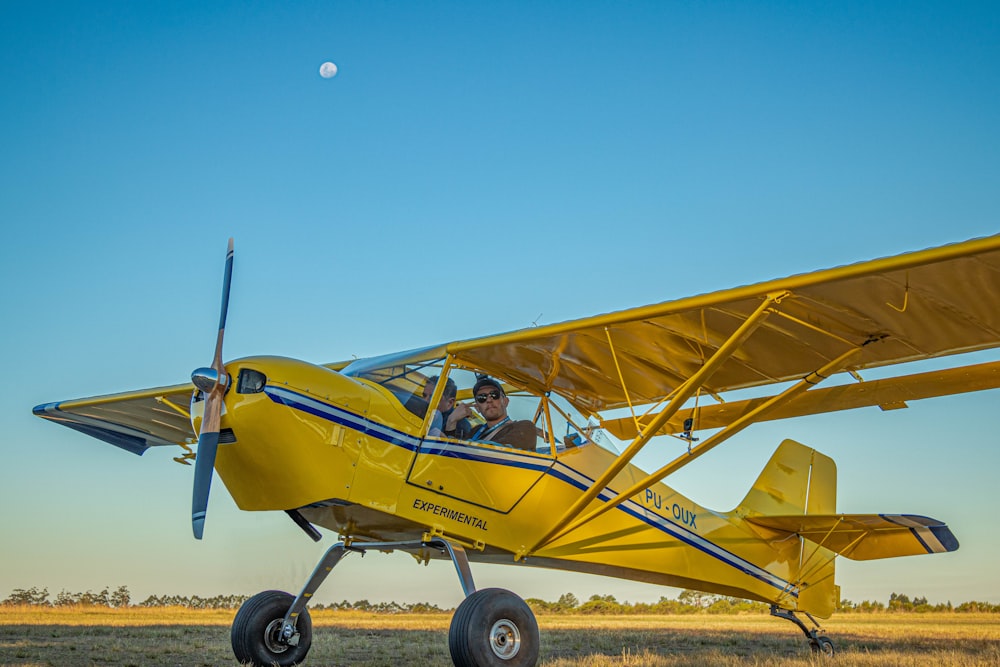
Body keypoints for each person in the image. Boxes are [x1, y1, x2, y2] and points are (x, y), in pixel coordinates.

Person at [449, 376, 536, 451]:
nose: (489, 400)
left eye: (494, 395)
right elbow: (452, 453)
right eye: (481, 398)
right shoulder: (475, 431)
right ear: (477, 408)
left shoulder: (525, 427)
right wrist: (451, 421)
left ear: (505, 401)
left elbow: (499, 452)